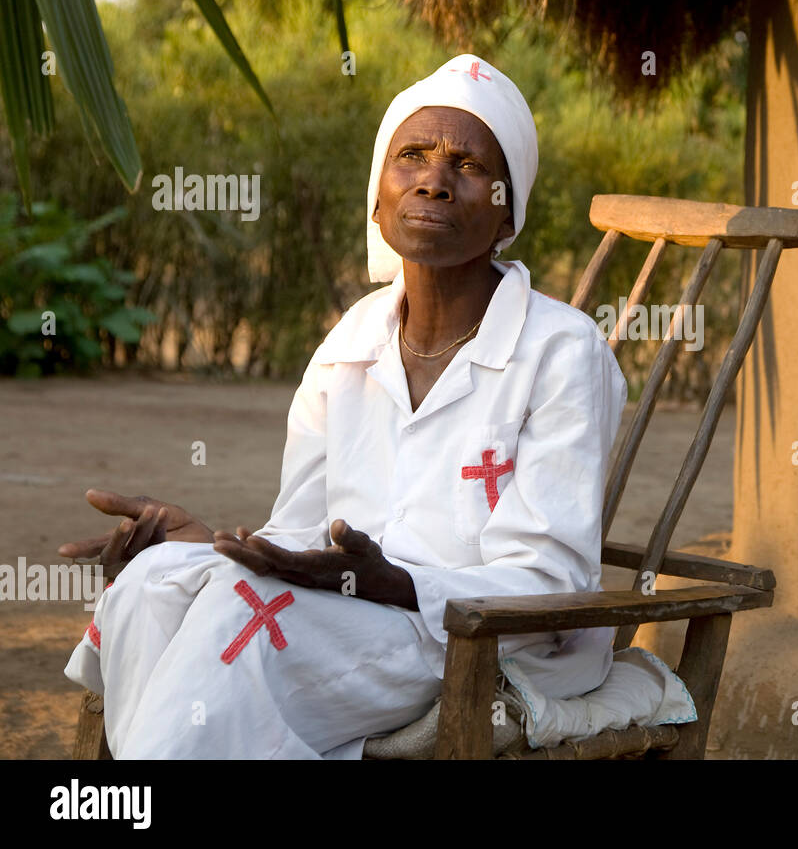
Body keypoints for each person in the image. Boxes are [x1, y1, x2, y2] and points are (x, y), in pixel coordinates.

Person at [60, 54, 628, 758]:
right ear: (376, 197)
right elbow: (299, 535)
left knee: (240, 623)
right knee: (151, 584)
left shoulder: (562, 352)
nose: (434, 181)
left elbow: (550, 582)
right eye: (411, 156)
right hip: (340, 610)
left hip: (476, 642)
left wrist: (394, 584)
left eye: (470, 166)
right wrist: (208, 542)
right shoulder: (353, 338)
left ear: (509, 207)